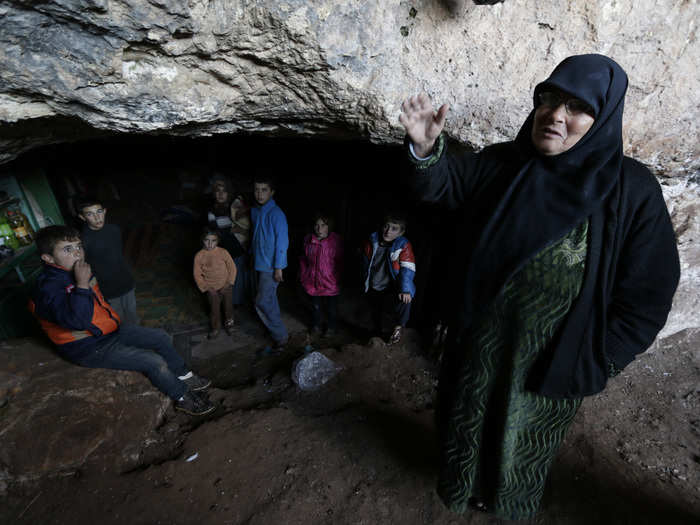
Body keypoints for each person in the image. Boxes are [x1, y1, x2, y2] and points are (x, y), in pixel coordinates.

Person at [400, 54, 680, 520]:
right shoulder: (504, 164)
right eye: (548, 98)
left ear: (603, 117)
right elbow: (444, 188)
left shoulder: (631, 191)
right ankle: (465, 490)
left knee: (524, 439)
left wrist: (600, 357)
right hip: (479, 346)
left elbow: (648, 292)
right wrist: (427, 153)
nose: (555, 114)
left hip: (552, 359)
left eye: (575, 106)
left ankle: (506, 503)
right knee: (466, 426)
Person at [29, 225, 216, 416]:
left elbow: (98, 304)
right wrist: (82, 285)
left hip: (109, 330)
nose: (77, 253)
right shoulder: (47, 289)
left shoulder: (76, 270)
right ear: (48, 258)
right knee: (152, 361)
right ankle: (183, 397)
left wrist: (85, 285)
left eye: (78, 246)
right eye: (67, 249)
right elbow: (77, 321)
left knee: (160, 337)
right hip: (87, 347)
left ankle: (183, 375)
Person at [76, 196, 138, 325]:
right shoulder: (82, 241)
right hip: (106, 288)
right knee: (118, 319)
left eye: (99, 212)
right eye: (90, 214)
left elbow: (118, 255)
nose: (97, 218)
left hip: (126, 281)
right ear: (82, 217)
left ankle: (138, 336)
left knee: (132, 313)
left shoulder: (114, 229)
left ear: (104, 211)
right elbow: (83, 267)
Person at [361, 213, 416, 345]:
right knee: (375, 309)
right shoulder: (372, 241)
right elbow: (365, 263)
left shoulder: (403, 245)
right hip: (376, 283)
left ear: (401, 232)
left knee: (405, 301)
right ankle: (376, 333)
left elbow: (407, 268)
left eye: (394, 229)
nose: (388, 231)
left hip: (393, 284)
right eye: (386, 226)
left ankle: (398, 328)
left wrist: (406, 289)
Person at [250, 175, 289, 349]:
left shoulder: (277, 214)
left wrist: (279, 268)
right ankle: (274, 330)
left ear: (272, 192)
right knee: (269, 299)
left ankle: (280, 336)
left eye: (264, 190)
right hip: (259, 262)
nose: (259, 193)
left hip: (271, 266)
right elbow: (256, 236)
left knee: (262, 301)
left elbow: (282, 242)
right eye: (257, 189)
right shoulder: (256, 211)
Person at [299, 212, 344, 336]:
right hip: (312, 280)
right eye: (317, 225)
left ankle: (331, 327)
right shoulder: (308, 240)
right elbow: (303, 259)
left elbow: (340, 261)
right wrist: (304, 275)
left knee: (331, 308)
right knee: (315, 306)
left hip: (330, 281)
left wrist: (337, 277)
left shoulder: (335, 241)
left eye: (323, 225)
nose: (319, 229)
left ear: (329, 226)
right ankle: (316, 325)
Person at [206, 176, 249, 306]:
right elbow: (213, 231)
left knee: (238, 277)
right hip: (222, 250)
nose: (220, 194)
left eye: (223, 191)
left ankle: (237, 303)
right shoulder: (212, 210)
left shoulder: (235, 206)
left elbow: (243, 226)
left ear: (229, 193)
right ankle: (226, 303)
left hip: (237, 249)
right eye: (217, 191)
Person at [193, 228, 238, 338]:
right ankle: (215, 328)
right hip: (211, 288)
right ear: (202, 240)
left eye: (213, 241)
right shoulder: (199, 256)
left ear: (217, 241)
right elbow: (197, 275)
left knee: (228, 307)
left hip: (226, 286)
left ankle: (230, 325)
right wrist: (207, 288)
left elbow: (232, 269)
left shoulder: (223, 252)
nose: (210, 244)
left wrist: (229, 283)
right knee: (214, 310)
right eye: (207, 240)